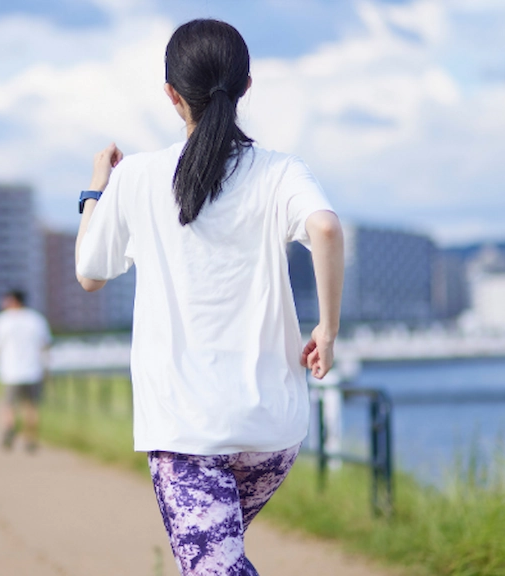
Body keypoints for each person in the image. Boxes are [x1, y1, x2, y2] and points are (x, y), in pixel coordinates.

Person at [74, 18, 345, 575]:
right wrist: (328, 329)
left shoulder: (139, 177)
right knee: (212, 561)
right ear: (247, 86)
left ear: (172, 96)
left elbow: (89, 273)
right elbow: (325, 229)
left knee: (210, 567)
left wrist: (96, 188)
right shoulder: (281, 172)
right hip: (272, 428)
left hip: (185, 429)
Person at [0, 290, 52, 452]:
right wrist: (46, 368)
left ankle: (9, 428)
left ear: (12, 301)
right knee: (31, 406)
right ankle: (31, 439)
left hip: (9, 371)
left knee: (7, 405)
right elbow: (45, 345)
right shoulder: (36, 319)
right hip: (33, 370)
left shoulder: (1, 321)